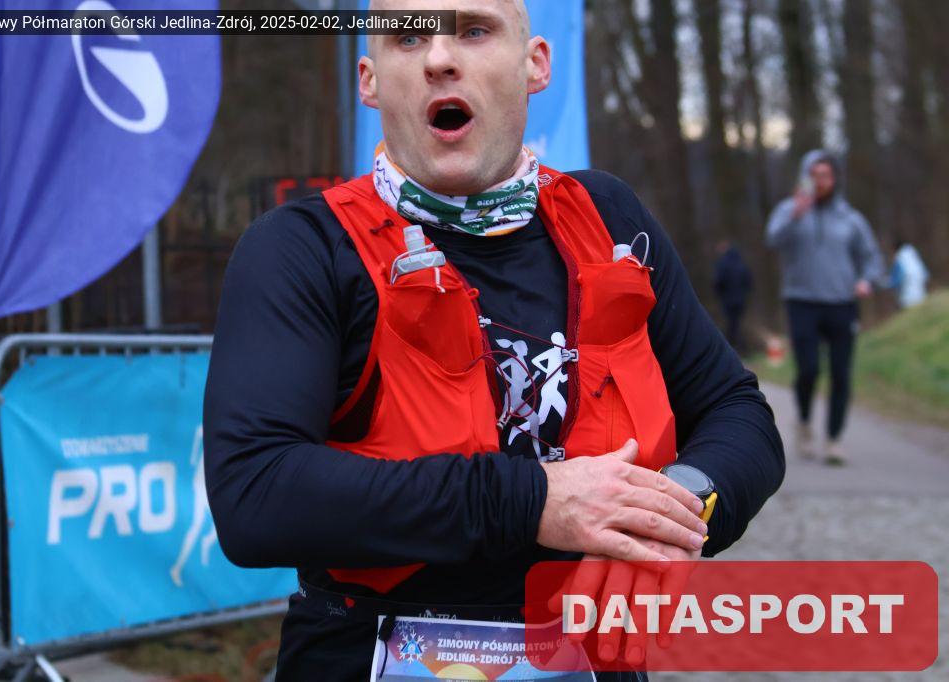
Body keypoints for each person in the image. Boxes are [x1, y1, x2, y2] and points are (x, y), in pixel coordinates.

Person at [204, 1, 784, 678]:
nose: (439, 58)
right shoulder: (302, 248)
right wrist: (535, 500)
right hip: (368, 648)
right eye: (406, 38)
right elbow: (255, 493)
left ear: (534, 65)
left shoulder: (608, 217)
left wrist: (666, 514)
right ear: (370, 80)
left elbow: (738, 414)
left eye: (475, 31)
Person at [766, 150, 885, 465]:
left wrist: (866, 280)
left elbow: (871, 257)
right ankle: (804, 422)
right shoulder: (789, 211)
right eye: (814, 175)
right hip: (801, 301)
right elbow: (773, 240)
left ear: (835, 179)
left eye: (826, 176)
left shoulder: (850, 218)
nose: (820, 182)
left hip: (842, 303)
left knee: (840, 374)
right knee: (808, 369)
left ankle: (833, 440)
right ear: (805, 177)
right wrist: (796, 214)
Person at [712, 240, 753, 353]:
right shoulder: (741, 264)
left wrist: (719, 294)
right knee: (737, 324)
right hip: (741, 300)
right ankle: (741, 348)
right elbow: (748, 281)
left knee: (731, 324)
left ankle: (731, 348)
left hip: (728, 300)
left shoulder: (722, 264)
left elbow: (718, 282)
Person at [888, 240, 929, 308]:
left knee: (909, 304)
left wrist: (891, 284)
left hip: (907, 285)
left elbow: (898, 276)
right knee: (920, 301)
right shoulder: (912, 252)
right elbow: (922, 269)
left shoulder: (899, 257)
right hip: (919, 280)